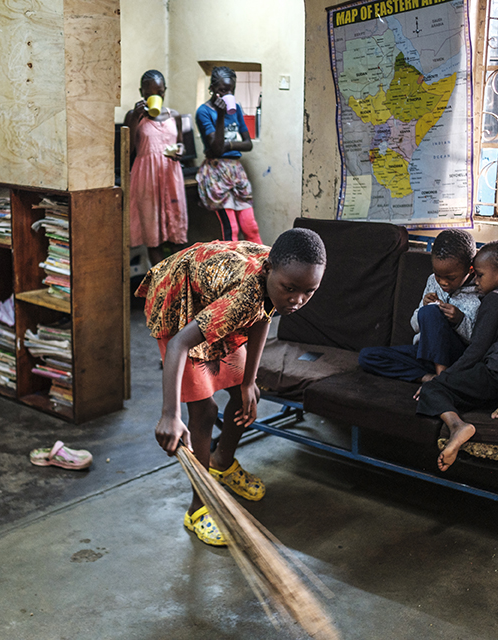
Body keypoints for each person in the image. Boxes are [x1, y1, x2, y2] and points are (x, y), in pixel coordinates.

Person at [135, 229, 326, 546]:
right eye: (290, 290)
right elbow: (181, 343)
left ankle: (222, 463)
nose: (297, 300)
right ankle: (198, 508)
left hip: (217, 302)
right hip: (183, 303)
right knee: (204, 411)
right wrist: (169, 415)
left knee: (242, 395)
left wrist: (250, 380)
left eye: (309, 291)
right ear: (268, 271)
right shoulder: (245, 296)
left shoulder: (278, 278)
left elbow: (263, 314)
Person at [415, 239, 498, 472]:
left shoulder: (495, 299)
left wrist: (444, 378)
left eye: (481, 275)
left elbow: (477, 349)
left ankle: (457, 427)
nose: (476, 281)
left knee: (433, 389)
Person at [359, 229, 479, 382]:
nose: (442, 282)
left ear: (470, 270)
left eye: (450, 278)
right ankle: (429, 378)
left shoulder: (478, 293)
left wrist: (460, 320)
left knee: (431, 312)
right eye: (437, 274)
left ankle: (442, 379)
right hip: (425, 353)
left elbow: (478, 342)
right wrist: (423, 307)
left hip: (454, 358)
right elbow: (415, 326)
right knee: (367, 357)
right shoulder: (432, 281)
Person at [124, 69, 188, 266]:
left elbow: (181, 143)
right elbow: (128, 150)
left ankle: (177, 282)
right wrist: (136, 117)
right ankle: (161, 286)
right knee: (154, 238)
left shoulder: (174, 116)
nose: (156, 97)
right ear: (142, 93)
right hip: (146, 178)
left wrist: (180, 151)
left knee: (176, 234)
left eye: (160, 93)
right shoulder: (134, 116)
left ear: (165, 91)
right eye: (151, 94)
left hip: (171, 176)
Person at [195, 66, 261, 244]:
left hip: (236, 171)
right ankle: (231, 270)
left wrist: (228, 144)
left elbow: (247, 144)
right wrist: (222, 116)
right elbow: (216, 150)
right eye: (222, 90)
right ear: (212, 88)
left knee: (250, 227)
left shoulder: (237, 108)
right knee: (231, 229)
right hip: (216, 174)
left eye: (231, 90)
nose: (227, 94)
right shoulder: (204, 112)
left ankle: (261, 267)